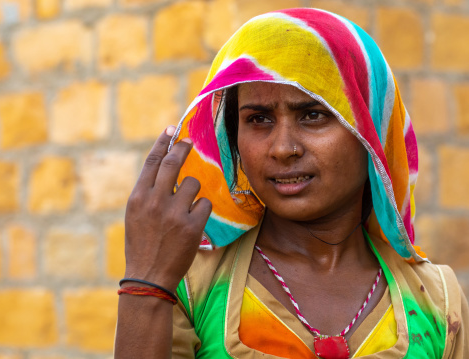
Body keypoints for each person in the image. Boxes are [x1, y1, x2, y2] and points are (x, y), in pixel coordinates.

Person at [114, 8, 468, 359]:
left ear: (371, 129)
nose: (283, 148)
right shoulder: (189, 284)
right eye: (258, 119)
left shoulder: (437, 300)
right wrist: (146, 284)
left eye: (313, 114)